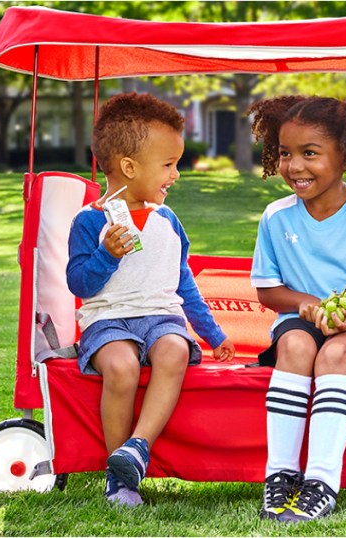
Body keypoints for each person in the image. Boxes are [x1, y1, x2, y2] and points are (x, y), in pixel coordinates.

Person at [247, 94, 346, 522]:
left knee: (335, 353)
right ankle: (280, 476)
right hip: (301, 322)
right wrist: (306, 304)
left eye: (310, 153)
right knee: (297, 349)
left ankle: (321, 480)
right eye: (285, 153)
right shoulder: (276, 217)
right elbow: (268, 292)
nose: (294, 166)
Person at [67, 92, 236, 507]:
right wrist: (106, 254)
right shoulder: (91, 220)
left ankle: (137, 448)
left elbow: (183, 283)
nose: (176, 175)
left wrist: (212, 334)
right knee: (121, 367)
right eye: (168, 165)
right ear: (128, 167)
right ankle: (118, 479)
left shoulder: (167, 220)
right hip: (109, 322)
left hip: (161, 318)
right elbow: (79, 284)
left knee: (175, 352)